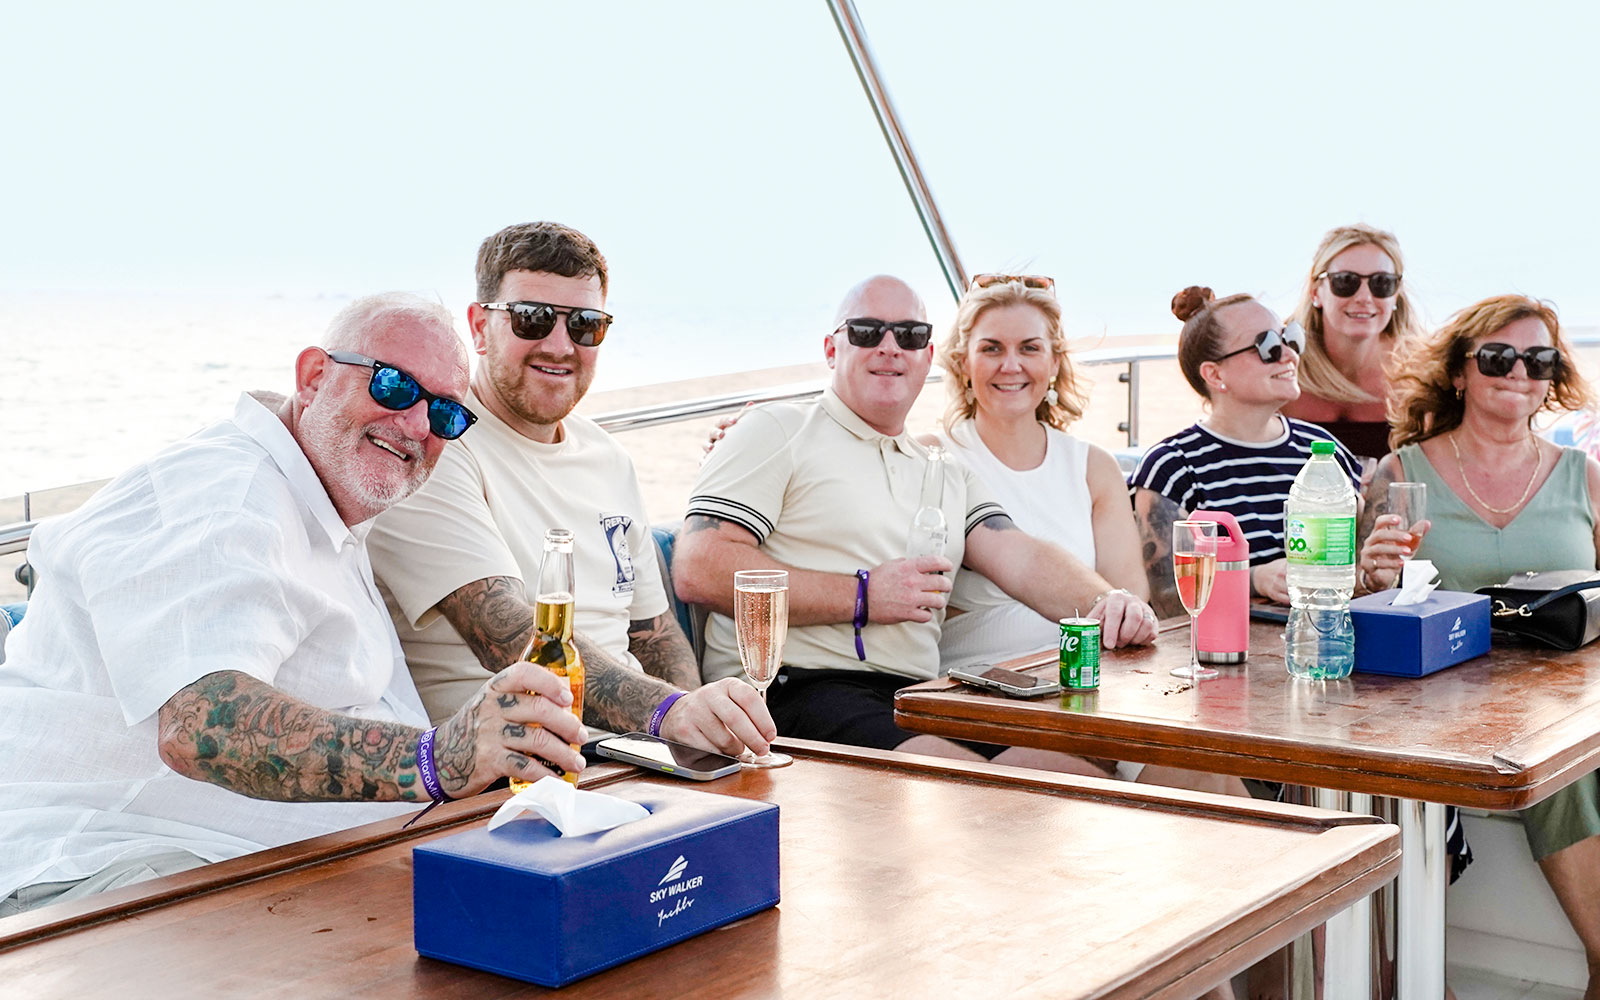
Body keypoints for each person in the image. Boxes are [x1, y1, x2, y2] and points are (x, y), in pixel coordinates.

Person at [0, 293, 587, 914]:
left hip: (278, 862)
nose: (417, 425)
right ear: (313, 377)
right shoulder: (225, 496)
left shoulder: (322, 502)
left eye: (445, 414)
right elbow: (202, 728)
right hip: (108, 868)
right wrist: (439, 757)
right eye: (393, 387)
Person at [672, 275, 1156, 769]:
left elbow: (1020, 554)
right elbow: (698, 564)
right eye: (866, 331)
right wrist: (862, 596)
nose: (889, 347)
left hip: (918, 694)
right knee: (968, 787)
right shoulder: (777, 429)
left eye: (908, 335)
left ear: (927, 357)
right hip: (797, 687)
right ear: (831, 349)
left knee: (1089, 772)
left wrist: (1103, 604)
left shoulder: (943, 468)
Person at [368, 222, 775, 759]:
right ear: (480, 326)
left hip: (634, 752)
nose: (559, 346)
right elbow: (508, 634)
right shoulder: (436, 438)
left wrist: (699, 739)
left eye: (585, 325)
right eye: (532, 319)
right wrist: (670, 713)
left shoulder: (609, 458)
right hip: (514, 769)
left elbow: (653, 634)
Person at [1358, 294, 1600, 998]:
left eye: (1538, 360)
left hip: (1560, 700)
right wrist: (1372, 577)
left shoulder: (1583, 477)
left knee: (1567, 761)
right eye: (1498, 357)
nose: (1518, 372)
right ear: (1460, 373)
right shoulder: (1399, 475)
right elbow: (1364, 609)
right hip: (1439, 703)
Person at [932, 274, 1149, 672]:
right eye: (992, 348)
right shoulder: (933, 458)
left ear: (1053, 363)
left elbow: (1129, 601)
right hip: (969, 686)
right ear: (965, 364)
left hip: (1080, 679)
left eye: (1029, 348)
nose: (1010, 365)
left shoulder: (1093, 468)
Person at [1130, 287, 1362, 616]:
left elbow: (1355, 567)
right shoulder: (1172, 467)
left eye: (1290, 338)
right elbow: (1169, 598)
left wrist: (1376, 564)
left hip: (1320, 643)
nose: (1289, 355)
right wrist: (1253, 578)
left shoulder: (1323, 453)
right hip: (1222, 656)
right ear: (1215, 374)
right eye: (1267, 345)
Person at [1282, 223, 1424, 461]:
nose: (1364, 298)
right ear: (1316, 291)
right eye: (1346, 281)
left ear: (1396, 293)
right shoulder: (1281, 363)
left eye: (1381, 283)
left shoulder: (1421, 376)